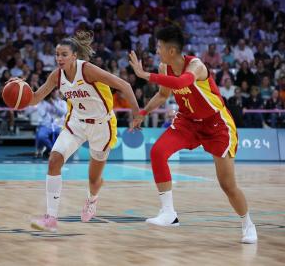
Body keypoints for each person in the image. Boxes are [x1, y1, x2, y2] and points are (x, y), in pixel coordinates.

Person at [128, 26, 257, 244]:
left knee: (227, 185)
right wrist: (143, 112)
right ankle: (168, 213)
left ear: (171, 51)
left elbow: (181, 83)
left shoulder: (196, 65)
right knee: (158, 152)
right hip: (187, 122)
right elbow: (163, 94)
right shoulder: (164, 66)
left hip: (216, 125)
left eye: (159, 47)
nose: (156, 51)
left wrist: (144, 75)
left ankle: (248, 224)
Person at [24, 31, 142, 232]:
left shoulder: (87, 70)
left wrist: (137, 113)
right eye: (57, 54)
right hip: (76, 123)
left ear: (74, 56)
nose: (59, 58)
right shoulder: (56, 76)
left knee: (93, 180)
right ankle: (51, 218)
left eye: (63, 54)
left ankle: (92, 200)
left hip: (101, 125)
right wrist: (20, 93)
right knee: (54, 160)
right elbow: (35, 98)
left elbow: (124, 85)